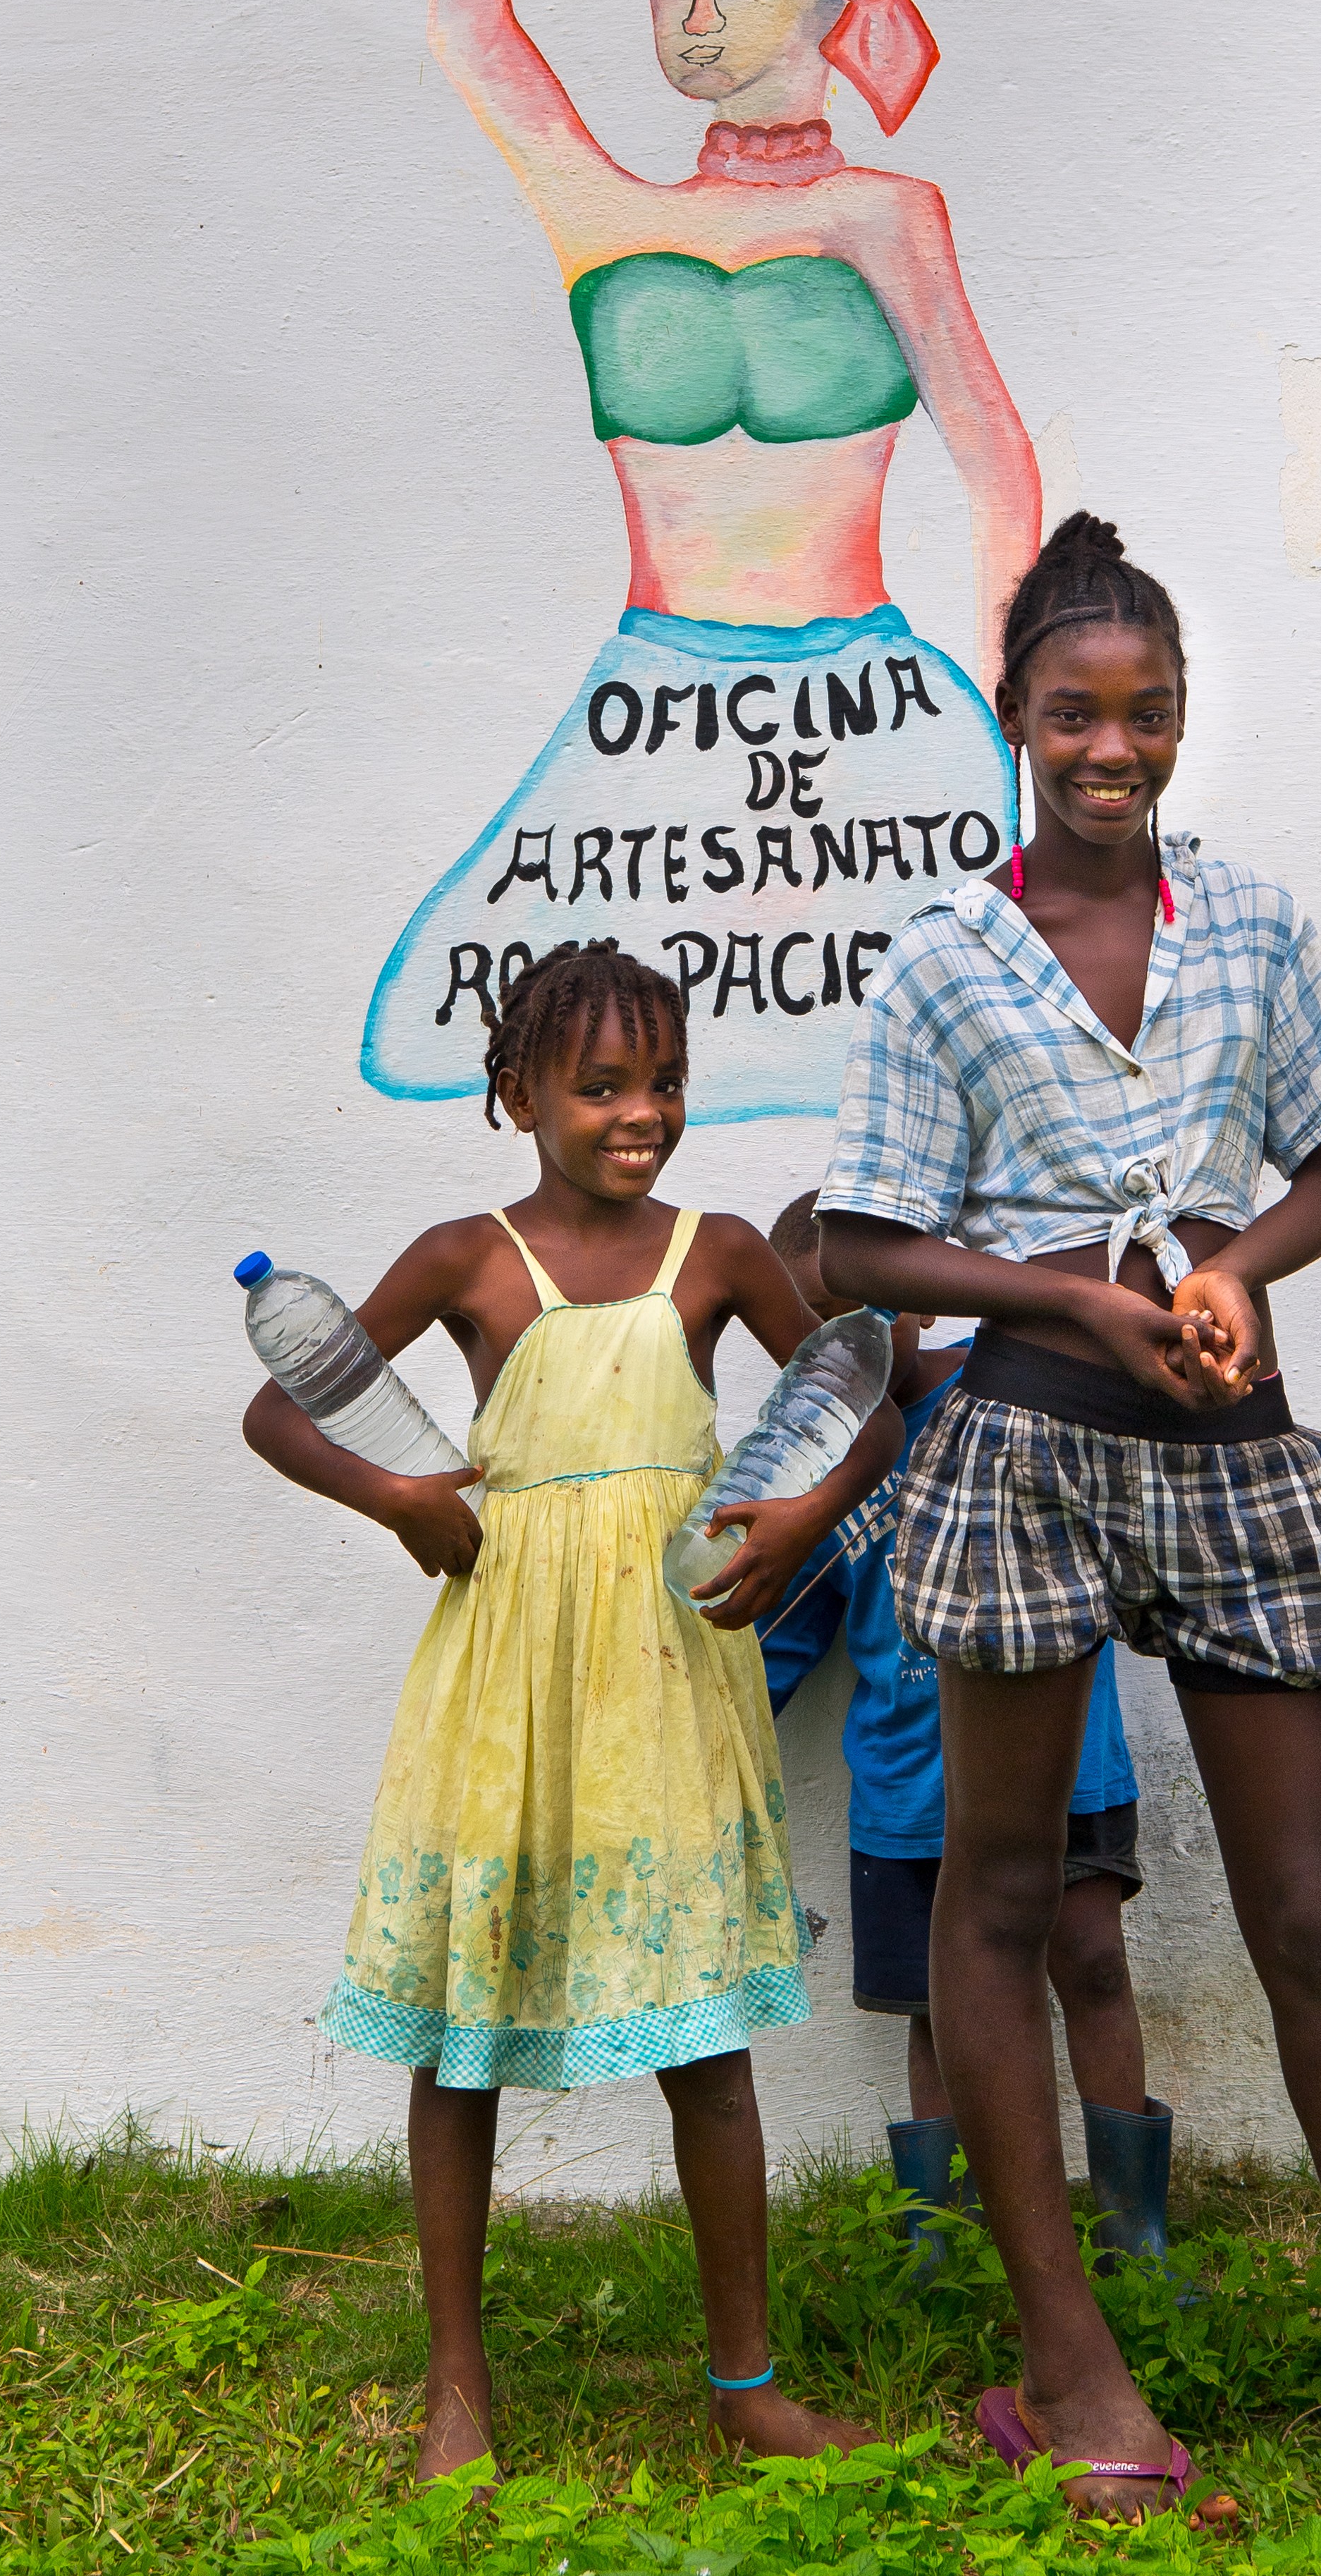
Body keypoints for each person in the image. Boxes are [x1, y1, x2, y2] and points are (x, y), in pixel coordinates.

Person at [816, 513, 1321, 2525]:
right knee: (1007, 1898)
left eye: (1143, 714)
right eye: (1070, 714)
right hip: (1028, 1442)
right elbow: (864, 1241)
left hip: (1233, 1444)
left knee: (1314, 1914)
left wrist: (1233, 1273)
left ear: (1184, 719)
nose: (1106, 748)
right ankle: (1073, 2372)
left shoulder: (1256, 925)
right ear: (1014, 718)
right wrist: (1074, 1296)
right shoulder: (945, 961)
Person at [241, 938, 901, 2484]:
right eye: (600, 1085)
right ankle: (456, 2387)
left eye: (663, 1082)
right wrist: (400, 1495)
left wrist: (799, 1520)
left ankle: (747, 2382)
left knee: (708, 2036)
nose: (638, 1113)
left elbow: (864, 1398)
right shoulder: (467, 1259)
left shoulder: (720, 1250)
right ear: (517, 1091)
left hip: (670, 1674)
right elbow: (281, 1409)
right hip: (507, 1679)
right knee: (463, 2030)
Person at [364, 0, 1040, 1113]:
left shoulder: (882, 218)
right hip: (655, 711)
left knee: (921, 1071)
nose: (697, 14)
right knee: (583, 1055)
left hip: (862, 716)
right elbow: (470, 37)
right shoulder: (604, 218)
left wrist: (1002, 725)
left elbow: (996, 474)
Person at [754, 1192, 1172, 2268]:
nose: (838, 1347)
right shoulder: (801, 1486)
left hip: (1068, 1764)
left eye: (859, 1314)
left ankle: (1138, 2232)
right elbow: (778, 1641)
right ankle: (939, 2235)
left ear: (909, 1302)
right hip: (910, 1796)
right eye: (808, 1328)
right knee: (940, 2008)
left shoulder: (1002, 1395)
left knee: (1093, 1966)